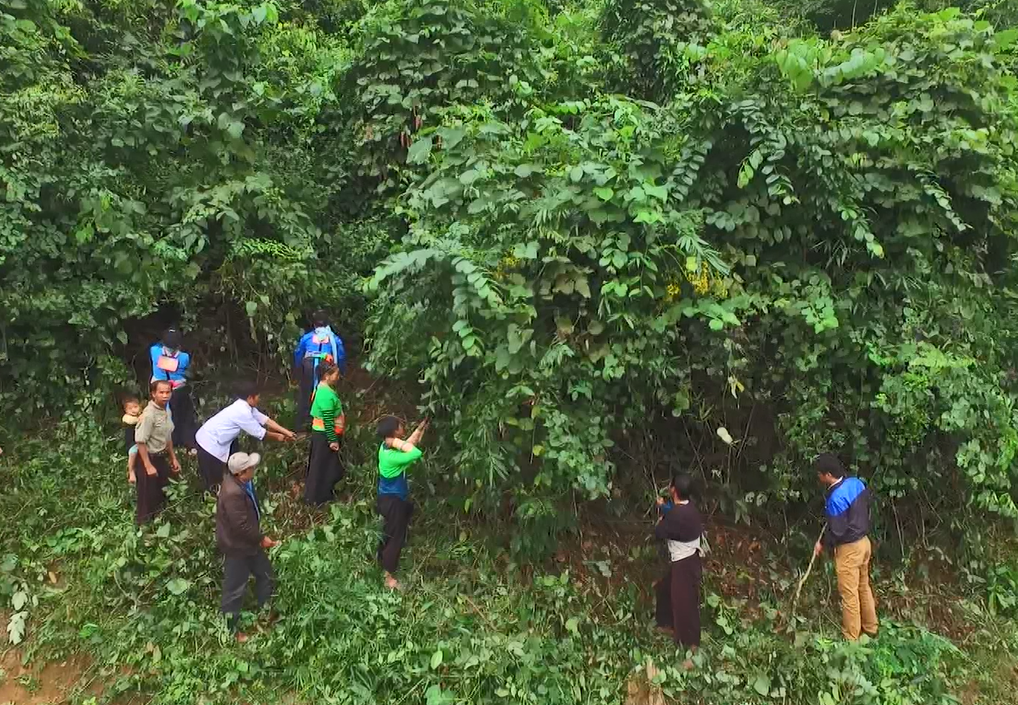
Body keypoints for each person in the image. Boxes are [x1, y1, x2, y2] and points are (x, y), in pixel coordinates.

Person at [813, 453, 878, 641]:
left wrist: (822, 544)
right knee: (863, 587)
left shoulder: (835, 499)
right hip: (865, 543)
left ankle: (851, 639)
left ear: (827, 475)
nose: (818, 477)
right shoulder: (856, 483)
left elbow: (837, 532)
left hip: (849, 550)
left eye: (820, 474)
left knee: (849, 595)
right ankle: (871, 628)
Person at [217, 452, 278, 642]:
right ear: (242, 472)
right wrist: (261, 539)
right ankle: (230, 630)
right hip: (238, 548)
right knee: (234, 589)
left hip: (248, 544)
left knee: (266, 574)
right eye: (251, 467)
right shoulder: (232, 493)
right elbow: (240, 526)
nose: (254, 469)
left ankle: (265, 612)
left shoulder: (239, 484)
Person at [195, 381, 297, 492]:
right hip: (208, 443)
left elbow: (265, 419)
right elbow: (261, 434)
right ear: (250, 398)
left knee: (225, 472)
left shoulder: (245, 405)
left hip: (218, 439)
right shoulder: (242, 412)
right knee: (213, 480)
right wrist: (279, 437)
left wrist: (286, 432)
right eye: (258, 396)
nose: (259, 399)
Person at [654, 473, 703, 667]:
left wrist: (660, 519)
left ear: (673, 490)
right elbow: (673, 512)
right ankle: (668, 625)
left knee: (685, 605)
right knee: (664, 589)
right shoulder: (689, 509)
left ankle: (693, 649)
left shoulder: (675, 515)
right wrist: (663, 507)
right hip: (688, 560)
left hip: (684, 564)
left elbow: (659, 532)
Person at [375, 415, 429, 590]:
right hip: (393, 501)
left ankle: (380, 561)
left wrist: (420, 429)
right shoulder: (392, 456)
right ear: (394, 432)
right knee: (396, 537)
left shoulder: (385, 448)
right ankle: (388, 577)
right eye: (399, 426)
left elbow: (409, 444)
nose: (402, 426)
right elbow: (415, 453)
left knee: (389, 531)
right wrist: (398, 443)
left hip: (389, 499)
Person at [134, 380, 181, 524]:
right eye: (161, 392)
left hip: (161, 456)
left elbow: (167, 436)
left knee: (162, 490)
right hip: (147, 458)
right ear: (153, 394)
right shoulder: (149, 415)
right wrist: (148, 466)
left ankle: (159, 521)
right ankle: (144, 528)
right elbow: (140, 441)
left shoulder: (166, 410)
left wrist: (173, 458)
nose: (165, 395)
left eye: (168, 392)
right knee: (147, 496)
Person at [293, 311, 346, 429]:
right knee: (326, 393)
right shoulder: (334, 339)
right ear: (328, 324)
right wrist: (340, 372)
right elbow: (341, 356)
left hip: (308, 367)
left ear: (314, 324)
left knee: (305, 394)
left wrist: (298, 370)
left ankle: (302, 427)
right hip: (327, 368)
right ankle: (326, 424)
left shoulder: (307, 338)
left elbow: (298, 354)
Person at [304, 361, 346, 505]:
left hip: (324, 434)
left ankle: (322, 495)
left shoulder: (323, 389)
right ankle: (317, 498)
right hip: (325, 435)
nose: (338, 376)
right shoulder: (325, 394)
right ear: (327, 376)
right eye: (336, 374)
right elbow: (328, 419)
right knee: (322, 466)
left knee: (325, 465)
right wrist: (332, 440)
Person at [150, 328, 197, 453]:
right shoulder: (184, 357)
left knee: (161, 415)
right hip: (177, 389)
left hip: (159, 389)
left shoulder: (154, 351)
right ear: (178, 345)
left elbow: (156, 346)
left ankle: (164, 443)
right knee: (183, 415)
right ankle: (184, 442)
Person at [120, 393, 143, 485]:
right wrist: (140, 419)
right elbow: (132, 421)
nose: (133, 410)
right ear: (125, 410)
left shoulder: (141, 415)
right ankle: (131, 471)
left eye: (135, 407)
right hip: (132, 442)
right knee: (133, 453)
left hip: (141, 441)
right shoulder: (127, 418)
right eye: (130, 408)